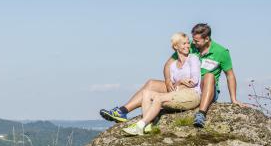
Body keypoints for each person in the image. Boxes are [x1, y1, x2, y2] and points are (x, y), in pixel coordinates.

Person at [100, 23, 242, 128]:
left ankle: (201, 114)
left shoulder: (221, 52)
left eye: (197, 41)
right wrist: (168, 80)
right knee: (151, 83)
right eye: (193, 40)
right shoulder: (189, 46)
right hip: (181, 87)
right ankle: (122, 111)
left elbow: (230, 75)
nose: (193, 43)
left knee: (209, 76)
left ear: (207, 39)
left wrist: (233, 99)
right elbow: (168, 64)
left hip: (203, 89)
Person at [122, 33, 201, 136]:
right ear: (176, 46)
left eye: (188, 43)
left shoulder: (193, 58)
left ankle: (139, 126)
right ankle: (148, 125)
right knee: (146, 93)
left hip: (192, 94)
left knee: (158, 98)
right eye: (183, 43)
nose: (187, 46)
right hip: (177, 94)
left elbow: (193, 82)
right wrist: (180, 81)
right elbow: (174, 85)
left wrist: (179, 83)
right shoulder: (173, 66)